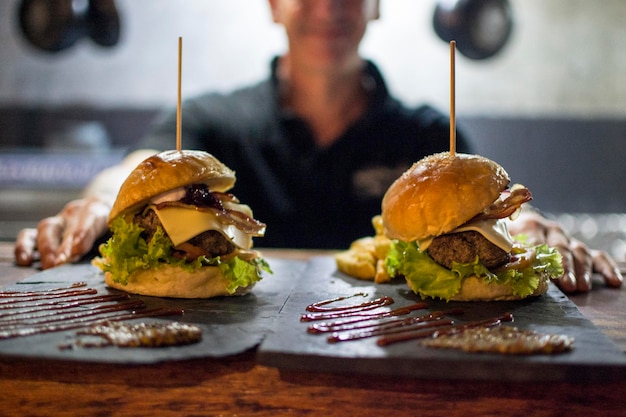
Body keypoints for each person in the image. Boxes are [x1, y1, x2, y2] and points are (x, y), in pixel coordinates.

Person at [14, 0, 622, 294]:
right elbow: (133, 170)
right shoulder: (209, 119)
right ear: (274, 5)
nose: (329, 7)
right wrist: (95, 202)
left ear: (377, 7)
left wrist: (533, 229)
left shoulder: (426, 134)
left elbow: (489, 213)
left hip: (391, 355)